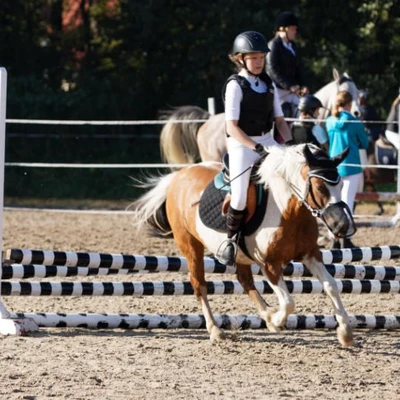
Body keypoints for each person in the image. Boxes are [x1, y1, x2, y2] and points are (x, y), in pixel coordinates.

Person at [217, 30, 293, 267]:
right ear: (241, 59)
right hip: (242, 144)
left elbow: (280, 121)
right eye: (254, 58)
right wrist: (255, 147)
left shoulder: (268, 83)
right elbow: (232, 127)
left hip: (268, 141)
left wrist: (289, 145)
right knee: (240, 196)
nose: (259, 62)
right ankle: (231, 240)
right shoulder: (235, 86)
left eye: (261, 57)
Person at [326, 90, 369, 249]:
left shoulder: (329, 121)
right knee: (347, 202)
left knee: (334, 202)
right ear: (350, 104)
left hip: (334, 166)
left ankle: (334, 238)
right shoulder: (355, 121)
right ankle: (347, 238)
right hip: (351, 166)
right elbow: (364, 143)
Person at [266, 11, 308, 119]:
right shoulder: (273, 45)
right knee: (281, 115)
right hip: (277, 90)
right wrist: (289, 86)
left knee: (307, 109)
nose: (295, 32)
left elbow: (298, 68)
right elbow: (272, 70)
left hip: (291, 91)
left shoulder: (292, 46)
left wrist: (303, 85)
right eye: (293, 29)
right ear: (283, 29)